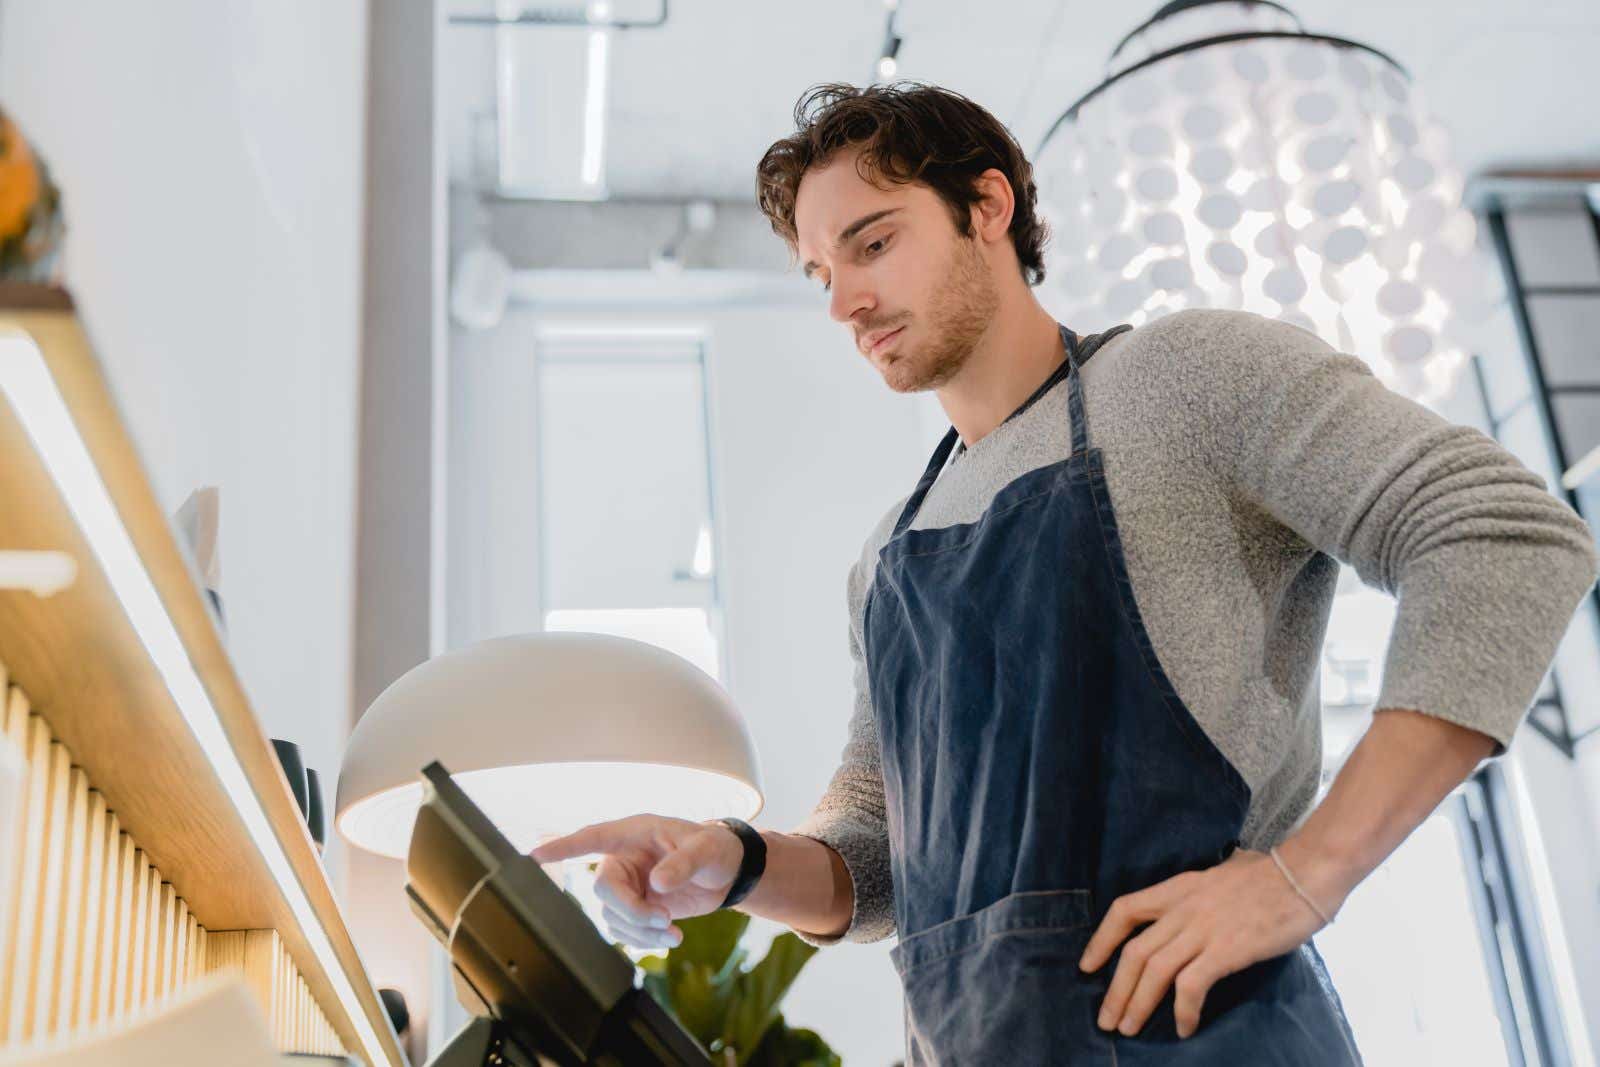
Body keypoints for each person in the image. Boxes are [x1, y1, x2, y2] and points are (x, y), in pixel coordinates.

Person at [532, 83, 1598, 1063]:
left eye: (872, 242)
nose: (843, 303)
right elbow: (879, 857)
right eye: (822, 272)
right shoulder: (886, 558)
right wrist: (731, 859)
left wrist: (1303, 875)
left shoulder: (1184, 378)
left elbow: (1502, 533)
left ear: (986, 205)